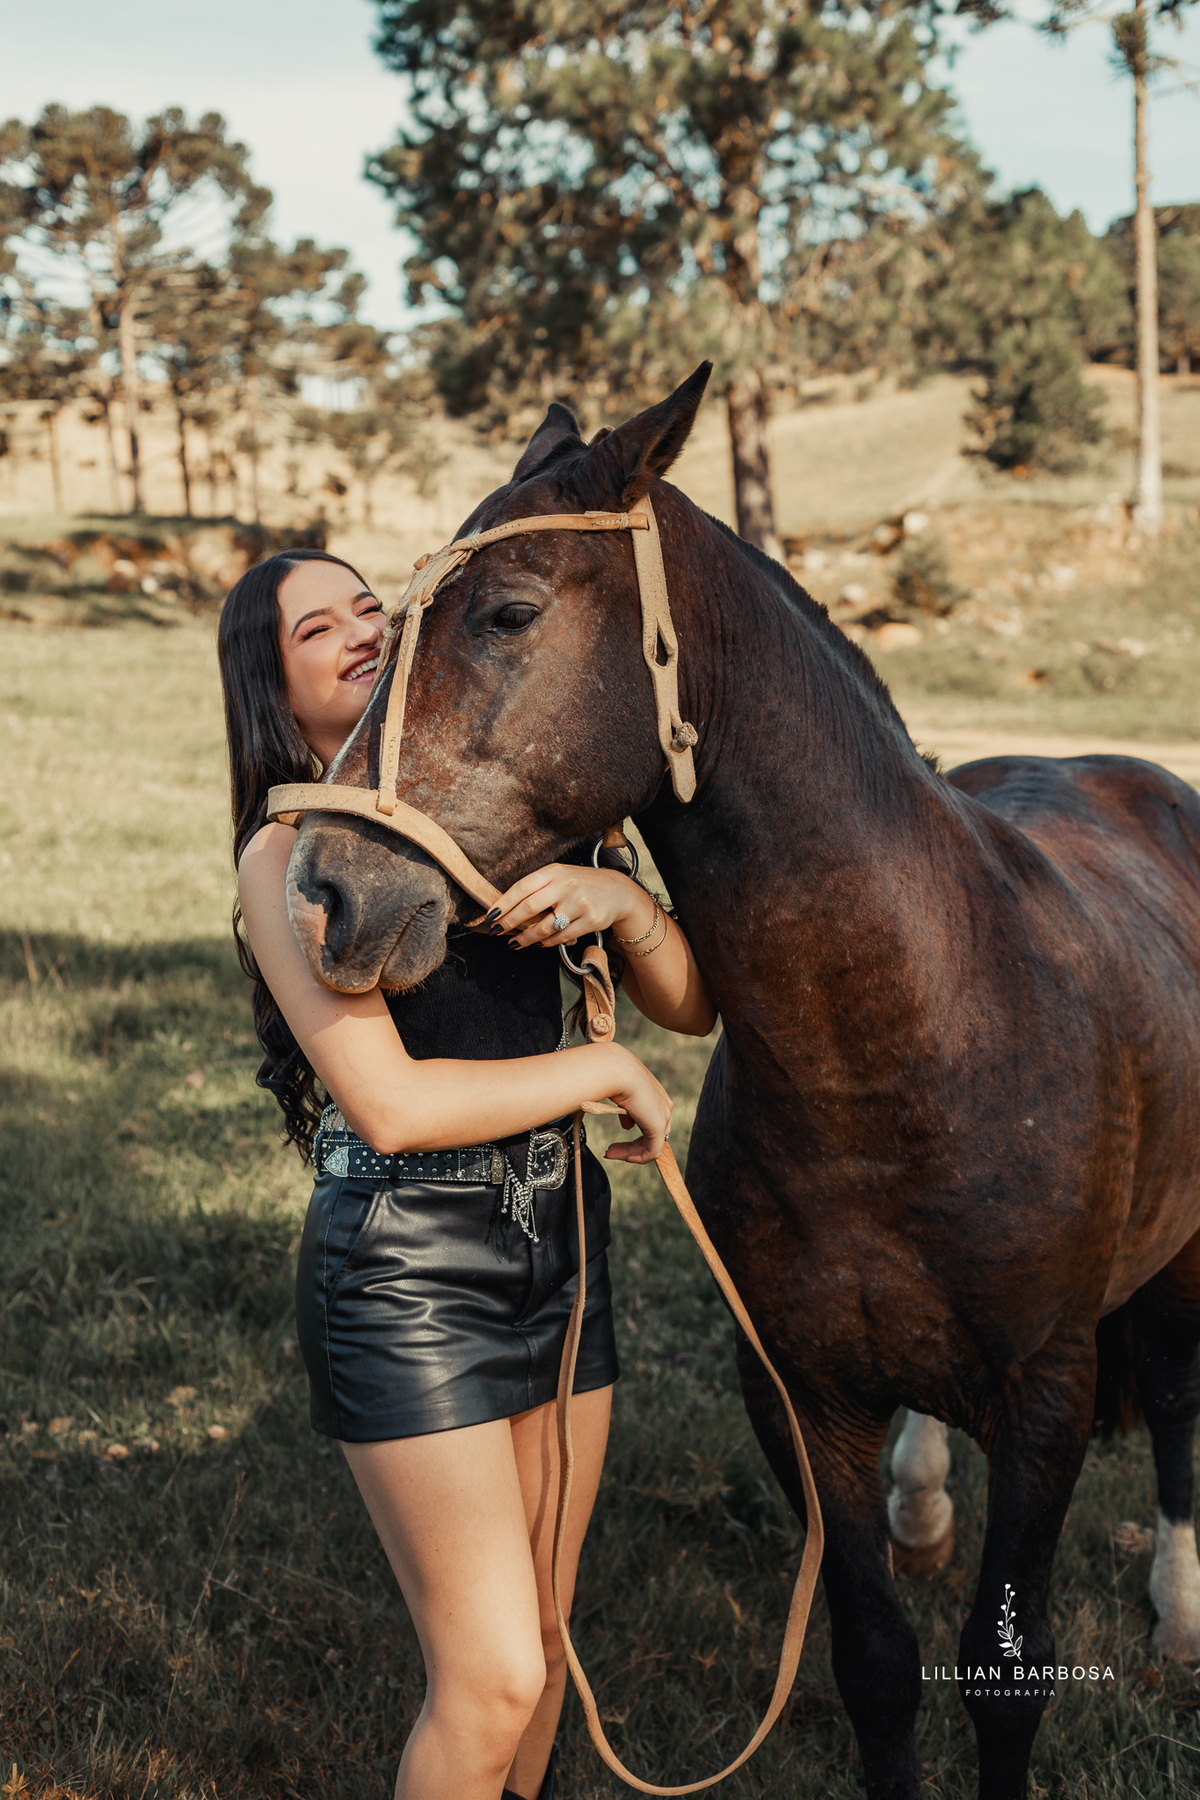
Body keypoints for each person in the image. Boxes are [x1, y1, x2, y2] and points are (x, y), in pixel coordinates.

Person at [218, 548, 716, 1800]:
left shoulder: (510, 791)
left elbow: (691, 1007)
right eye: (312, 630)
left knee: (545, 1649)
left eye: (366, 608)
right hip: (404, 1267)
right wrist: (598, 1078)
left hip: (563, 1243)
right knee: (490, 1674)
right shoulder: (287, 861)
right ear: (273, 693)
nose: (356, 633)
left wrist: (622, 901)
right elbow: (388, 1105)